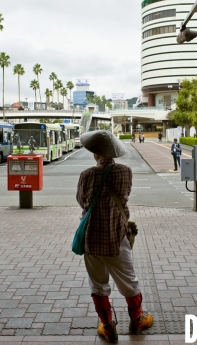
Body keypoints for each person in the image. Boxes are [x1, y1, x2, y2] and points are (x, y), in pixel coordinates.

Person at [76, 130, 153, 343]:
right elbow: (124, 196)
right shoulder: (125, 172)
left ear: (95, 154)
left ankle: (108, 327)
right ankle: (137, 319)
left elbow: (82, 201)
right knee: (129, 281)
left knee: (98, 285)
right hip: (117, 238)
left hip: (91, 238)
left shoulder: (86, 175)